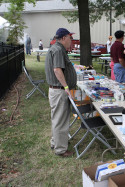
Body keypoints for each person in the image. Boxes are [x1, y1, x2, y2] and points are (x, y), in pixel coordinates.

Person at [45, 28, 77, 157]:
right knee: (60, 120)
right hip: (59, 91)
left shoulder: (56, 48)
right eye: (70, 38)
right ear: (64, 38)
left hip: (56, 90)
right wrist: (66, 87)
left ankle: (56, 142)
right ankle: (61, 150)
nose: (71, 40)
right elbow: (57, 70)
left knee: (57, 119)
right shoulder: (58, 50)